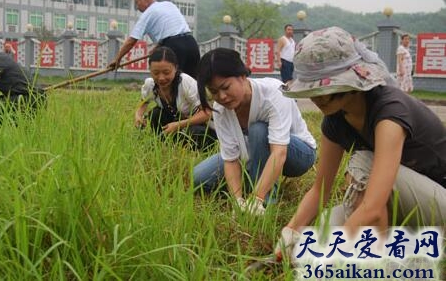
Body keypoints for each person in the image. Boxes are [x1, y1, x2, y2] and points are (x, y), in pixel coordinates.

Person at [274, 27, 446, 262]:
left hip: (438, 207)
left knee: (364, 162)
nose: (315, 96)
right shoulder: (335, 119)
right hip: (404, 208)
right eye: (311, 87)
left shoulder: (390, 112)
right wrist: (291, 232)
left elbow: (373, 206)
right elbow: (320, 190)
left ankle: (380, 263)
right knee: (325, 225)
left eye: (323, 87)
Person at [193, 48, 317, 215]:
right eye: (214, 92)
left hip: (298, 154)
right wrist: (238, 201)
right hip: (251, 153)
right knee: (199, 178)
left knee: (259, 129)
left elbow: (279, 153)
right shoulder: (220, 109)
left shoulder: (274, 93)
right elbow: (230, 159)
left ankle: (265, 202)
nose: (222, 97)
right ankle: (254, 178)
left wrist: (255, 198)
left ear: (242, 76)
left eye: (226, 87)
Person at [136, 46, 216, 151]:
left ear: (175, 68)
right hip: (177, 123)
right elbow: (144, 102)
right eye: (156, 73)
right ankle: (163, 145)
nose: (161, 78)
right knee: (155, 114)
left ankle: (186, 150)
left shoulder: (185, 83)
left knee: (193, 133)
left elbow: (207, 113)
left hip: (201, 126)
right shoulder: (150, 84)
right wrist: (138, 115)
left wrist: (178, 125)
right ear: (150, 70)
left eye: (166, 72)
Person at [109, 0, 200, 78]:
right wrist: (158, 47)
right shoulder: (169, 4)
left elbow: (131, 41)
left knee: (172, 82)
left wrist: (117, 59)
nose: (137, 7)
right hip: (191, 43)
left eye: (137, 3)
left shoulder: (148, 13)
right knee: (193, 83)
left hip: (175, 47)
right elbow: (170, 30)